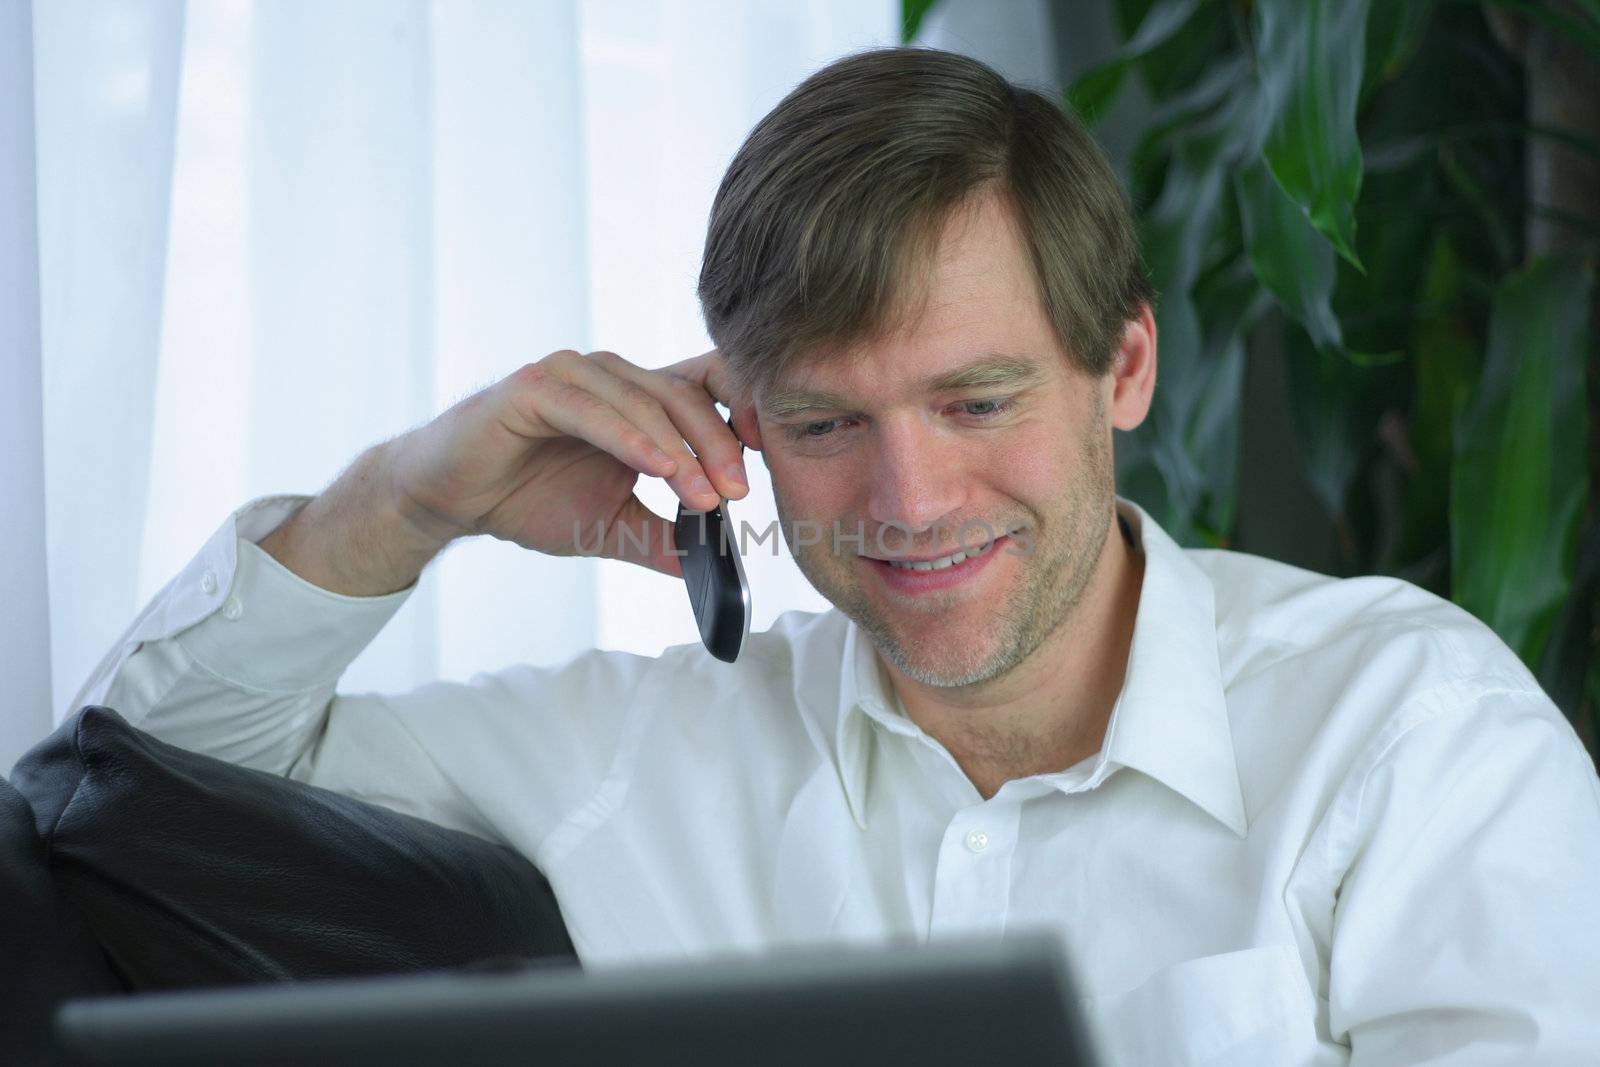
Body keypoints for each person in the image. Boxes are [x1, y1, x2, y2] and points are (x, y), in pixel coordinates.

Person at [74, 46, 1600, 1065]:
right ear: (728, 425)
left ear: (1122, 369)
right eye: (822, 423)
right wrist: (407, 500)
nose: (908, 497)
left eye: (975, 401)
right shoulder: (631, 757)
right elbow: (122, 801)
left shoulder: (1409, 735)